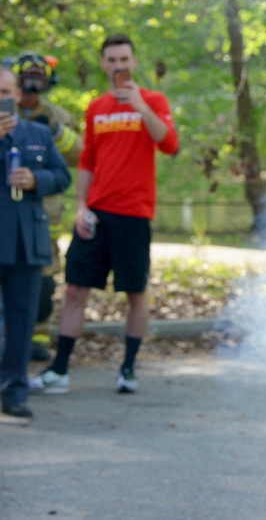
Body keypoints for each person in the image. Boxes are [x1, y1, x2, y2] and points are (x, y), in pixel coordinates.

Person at [30, 34, 179, 396]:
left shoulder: (154, 100)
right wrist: (81, 207)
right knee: (76, 289)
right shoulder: (96, 107)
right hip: (96, 213)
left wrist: (141, 107)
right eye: (111, 60)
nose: (118, 66)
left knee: (135, 293)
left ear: (134, 61)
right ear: (103, 64)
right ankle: (60, 370)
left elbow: (170, 144)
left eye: (124, 59)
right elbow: (87, 161)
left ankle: (128, 369)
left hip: (134, 215)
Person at [0, 66, 72, 419]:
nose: (2, 100)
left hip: (26, 241)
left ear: (18, 94)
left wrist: (36, 179)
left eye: (6, 92)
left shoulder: (39, 133)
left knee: (22, 319)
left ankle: (14, 391)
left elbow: (63, 175)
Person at [11, 51, 83, 363]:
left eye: (37, 80)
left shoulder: (55, 117)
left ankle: (38, 336)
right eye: (25, 81)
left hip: (44, 218)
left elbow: (79, 157)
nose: (30, 88)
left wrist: (54, 131)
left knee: (41, 282)